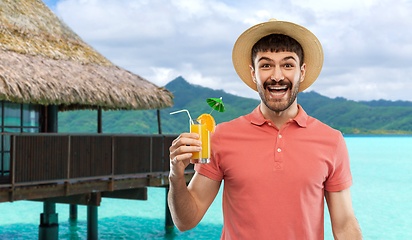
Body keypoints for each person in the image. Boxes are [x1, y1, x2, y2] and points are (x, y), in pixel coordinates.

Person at [168, 19, 362, 239]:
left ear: (302, 71)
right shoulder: (221, 136)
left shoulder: (331, 141)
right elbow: (185, 221)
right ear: (253, 73)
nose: (277, 76)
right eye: (266, 65)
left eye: (288, 65)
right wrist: (175, 175)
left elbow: (345, 223)